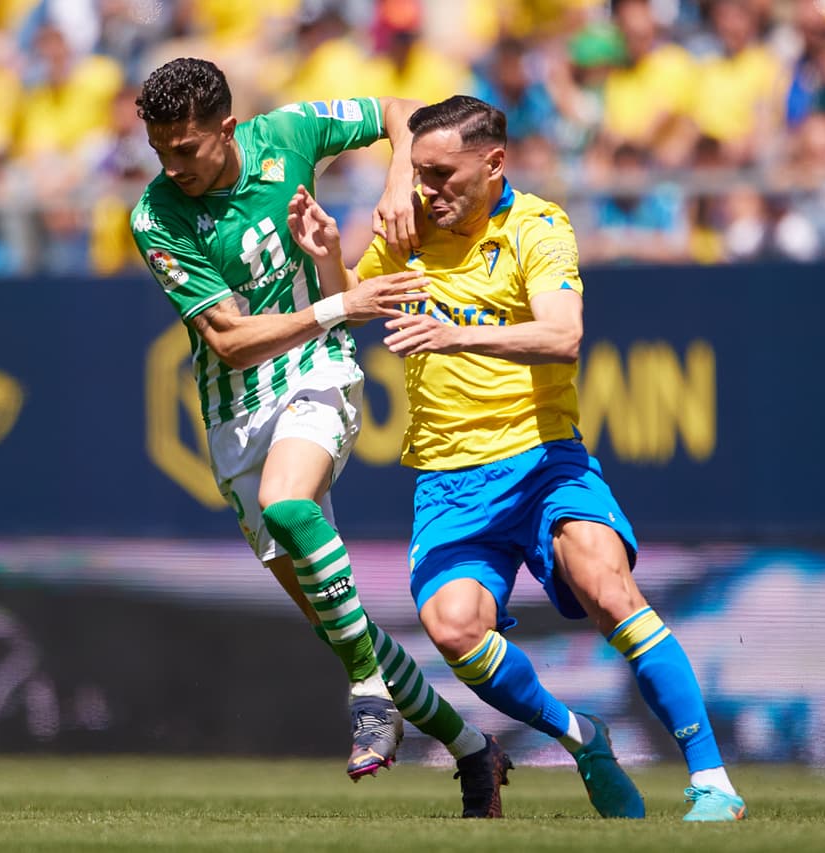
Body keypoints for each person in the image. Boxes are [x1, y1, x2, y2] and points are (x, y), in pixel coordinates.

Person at [290, 93, 747, 821]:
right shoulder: (410, 232)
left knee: (607, 584)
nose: (426, 187)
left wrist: (454, 335)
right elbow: (352, 302)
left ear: (493, 163)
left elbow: (562, 334)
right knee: (453, 628)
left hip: (543, 463)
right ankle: (582, 736)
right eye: (418, 170)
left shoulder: (537, 226)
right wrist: (327, 259)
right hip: (449, 481)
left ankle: (712, 779)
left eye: (442, 173)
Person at [129, 57, 511, 818]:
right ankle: (473, 750)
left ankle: (370, 698)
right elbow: (232, 343)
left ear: (228, 130)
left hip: (316, 373)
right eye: (160, 150)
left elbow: (407, 105)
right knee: (347, 625)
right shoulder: (155, 217)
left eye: (187, 149)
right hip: (236, 411)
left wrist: (399, 175)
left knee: (287, 504)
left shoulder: (292, 133)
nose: (173, 166)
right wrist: (345, 301)